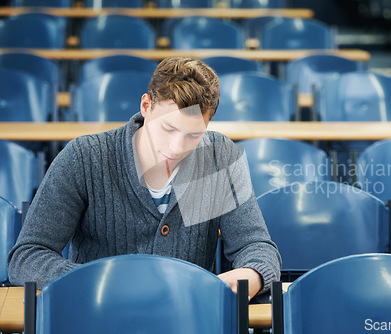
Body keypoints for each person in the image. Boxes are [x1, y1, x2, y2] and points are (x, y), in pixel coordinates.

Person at [8, 57, 281, 298]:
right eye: (168, 128)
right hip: (98, 316)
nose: (176, 148)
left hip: (185, 319)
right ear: (146, 105)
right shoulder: (84, 156)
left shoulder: (218, 155)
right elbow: (28, 256)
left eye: (193, 136)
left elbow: (257, 247)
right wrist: (96, 282)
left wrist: (250, 275)